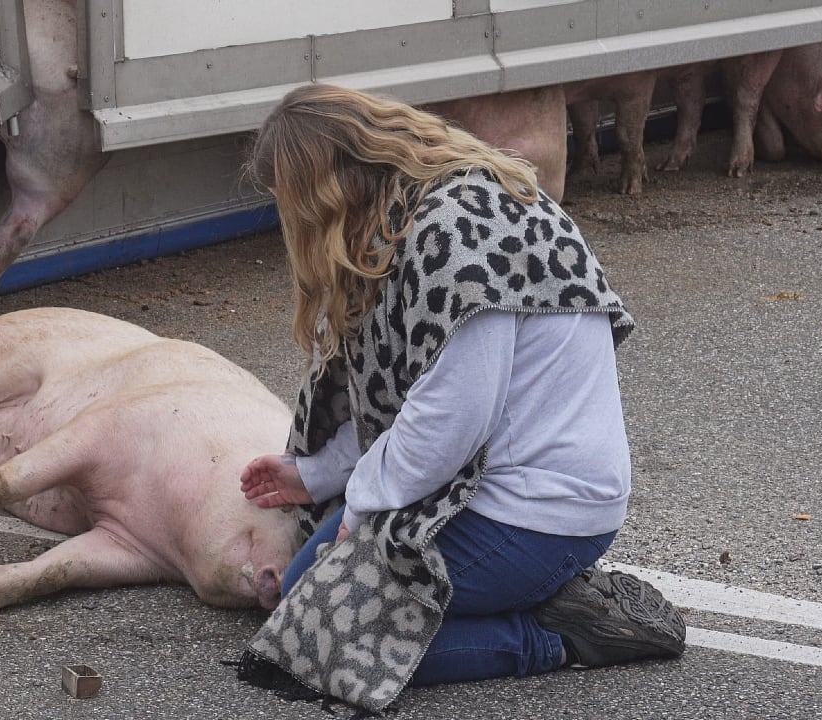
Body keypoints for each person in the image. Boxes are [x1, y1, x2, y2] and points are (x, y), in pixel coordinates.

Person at [235, 83, 685, 711]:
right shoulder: (432, 209)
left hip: (534, 515)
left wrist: (359, 510)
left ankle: (557, 635)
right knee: (300, 595)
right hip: (476, 489)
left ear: (325, 191)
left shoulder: (457, 236)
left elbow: (451, 419)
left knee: (314, 641)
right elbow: (398, 397)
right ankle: (541, 596)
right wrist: (317, 475)